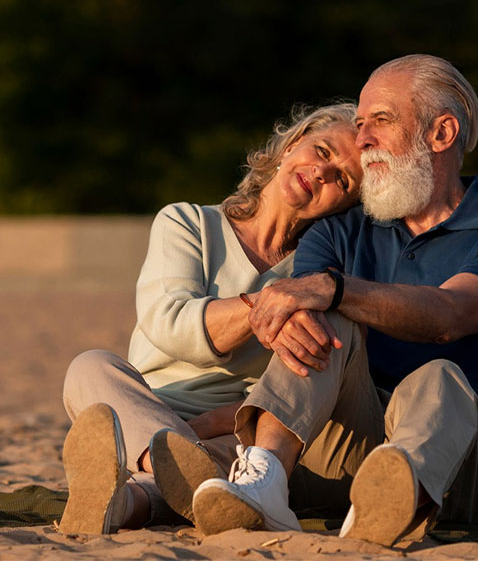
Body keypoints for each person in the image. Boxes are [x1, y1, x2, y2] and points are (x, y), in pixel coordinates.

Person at [186, 54, 478, 545]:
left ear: (441, 134)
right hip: (356, 443)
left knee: (437, 377)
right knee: (323, 321)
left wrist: (339, 288)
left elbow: (451, 315)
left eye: (380, 120)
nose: (362, 141)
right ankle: (265, 481)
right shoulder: (338, 232)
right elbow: (303, 323)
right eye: (360, 124)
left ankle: (399, 494)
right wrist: (321, 297)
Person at [58, 103, 364, 534]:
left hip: (238, 424)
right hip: (148, 403)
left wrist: (218, 421)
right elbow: (170, 323)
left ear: (348, 204)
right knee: (89, 367)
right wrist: (270, 303)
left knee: (246, 459)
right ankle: (175, 466)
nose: (322, 173)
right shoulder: (188, 222)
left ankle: (126, 501)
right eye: (324, 151)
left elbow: (303, 385)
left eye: (343, 180)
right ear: (293, 144)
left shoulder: (322, 273)